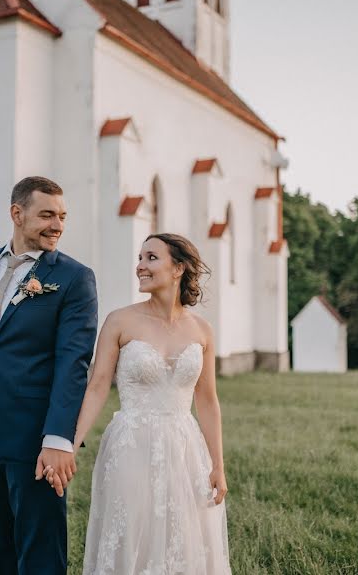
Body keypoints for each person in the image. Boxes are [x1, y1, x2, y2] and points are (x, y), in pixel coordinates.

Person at [0, 176, 98, 575]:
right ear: (17, 214)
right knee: (4, 547)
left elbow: (74, 363)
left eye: (63, 216)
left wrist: (59, 439)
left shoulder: (74, 277)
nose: (58, 225)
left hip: (35, 437)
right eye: (47, 214)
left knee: (41, 552)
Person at [61, 233, 231, 575]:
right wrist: (71, 444)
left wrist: (218, 465)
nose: (140, 266)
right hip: (131, 445)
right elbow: (96, 388)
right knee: (132, 533)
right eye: (139, 258)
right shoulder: (120, 321)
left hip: (185, 448)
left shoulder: (202, 330)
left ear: (178, 268)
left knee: (183, 537)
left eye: (151, 258)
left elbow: (208, 400)